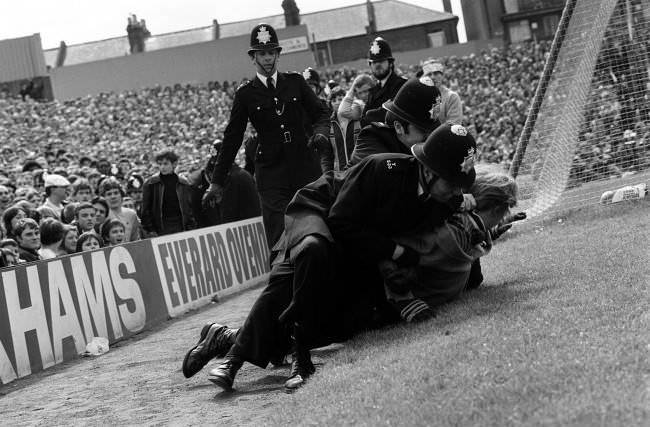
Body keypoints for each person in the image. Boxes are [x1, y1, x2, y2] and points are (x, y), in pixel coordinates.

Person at [189, 123, 477, 392]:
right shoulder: (383, 168)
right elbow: (340, 220)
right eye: (452, 182)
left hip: (355, 240)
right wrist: (395, 252)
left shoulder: (442, 201)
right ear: (428, 170)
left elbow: (461, 227)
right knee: (306, 260)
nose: (456, 190)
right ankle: (265, 357)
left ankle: (226, 337)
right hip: (320, 210)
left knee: (351, 320)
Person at [202, 23, 330, 250]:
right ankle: (285, 279)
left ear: (278, 54)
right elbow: (232, 138)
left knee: (321, 225)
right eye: (262, 53)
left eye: (272, 53)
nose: (268, 58)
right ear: (253, 57)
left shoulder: (295, 82)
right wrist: (217, 181)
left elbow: (320, 113)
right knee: (281, 237)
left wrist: (320, 134)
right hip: (272, 175)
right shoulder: (246, 94)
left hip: (304, 166)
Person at [380, 168, 522, 322]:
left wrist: (491, 233)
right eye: (504, 212)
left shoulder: (461, 222)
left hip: (429, 294)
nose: (504, 216)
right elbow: (404, 253)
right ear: (496, 210)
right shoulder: (456, 232)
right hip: (400, 304)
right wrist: (405, 298)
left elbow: (468, 242)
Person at [347, 77, 441, 168]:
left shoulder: (419, 144)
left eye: (433, 131)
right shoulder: (372, 141)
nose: (430, 138)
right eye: (423, 132)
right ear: (399, 127)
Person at [191, 141, 260, 227]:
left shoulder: (234, 178)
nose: (216, 172)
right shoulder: (239, 174)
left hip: (246, 228)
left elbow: (229, 215)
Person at [141, 150, 196, 237]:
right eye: (160, 164)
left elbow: (189, 208)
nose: (162, 167)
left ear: (174, 164)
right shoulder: (150, 183)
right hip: (161, 227)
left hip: (180, 225)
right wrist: (150, 229)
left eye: (165, 164)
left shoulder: (183, 183)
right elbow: (145, 210)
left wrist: (191, 227)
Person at [362, 37, 407, 126]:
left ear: (390, 63)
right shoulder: (373, 91)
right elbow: (363, 121)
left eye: (381, 61)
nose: (378, 65)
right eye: (374, 62)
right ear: (370, 65)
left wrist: (370, 114)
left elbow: (392, 116)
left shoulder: (401, 85)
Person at [421, 59, 463, 125]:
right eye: (429, 74)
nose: (433, 77)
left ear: (442, 75)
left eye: (436, 73)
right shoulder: (420, 97)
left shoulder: (451, 97)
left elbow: (453, 125)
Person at [99, 178, 141, 242]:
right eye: (109, 194)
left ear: (121, 195)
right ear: (103, 197)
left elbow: (135, 240)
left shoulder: (131, 214)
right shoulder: (100, 216)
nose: (113, 197)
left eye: (116, 193)